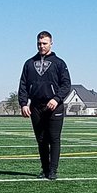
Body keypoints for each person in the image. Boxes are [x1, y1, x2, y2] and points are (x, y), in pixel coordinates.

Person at [17, 30, 71, 179]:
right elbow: (23, 85)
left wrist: (56, 98)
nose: (41, 46)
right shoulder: (29, 63)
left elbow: (66, 85)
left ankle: (53, 171)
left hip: (54, 106)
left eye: (44, 43)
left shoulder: (59, 63)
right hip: (36, 107)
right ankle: (45, 169)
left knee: (54, 139)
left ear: (51, 44)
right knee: (41, 140)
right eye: (39, 43)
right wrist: (23, 103)